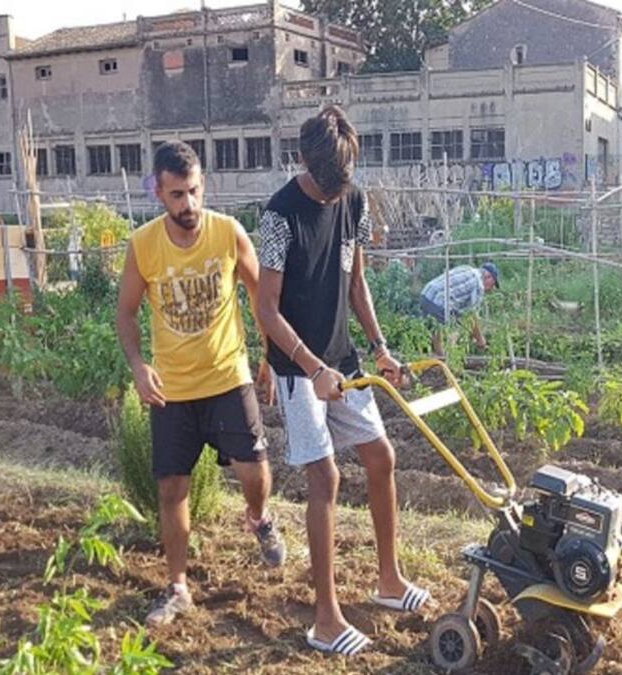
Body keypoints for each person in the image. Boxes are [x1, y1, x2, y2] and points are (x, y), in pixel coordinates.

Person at [256, 105, 431, 658]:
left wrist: (379, 349)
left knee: (381, 457)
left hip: (343, 359)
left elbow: (357, 284)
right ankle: (325, 619)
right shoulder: (278, 217)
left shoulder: (352, 201)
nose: (333, 197)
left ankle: (388, 580)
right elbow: (266, 310)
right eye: (327, 187)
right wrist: (312, 368)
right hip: (296, 367)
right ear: (304, 160)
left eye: (342, 188)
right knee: (326, 478)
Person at [115, 140, 286, 627]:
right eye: (176, 195)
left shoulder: (228, 233)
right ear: (158, 193)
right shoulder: (143, 245)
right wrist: (137, 365)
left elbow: (263, 300)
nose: (187, 205)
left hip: (227, 377)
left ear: (203, 185)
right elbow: (125, 313)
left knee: (254, 474)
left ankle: (259, 518)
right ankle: (178, 587)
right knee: (172, 488)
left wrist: (269, 360)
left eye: (193, 192)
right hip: (172, 390)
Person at [419, 262, 500, 355]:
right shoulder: (478, 284)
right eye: (493, 284)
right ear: (488, 276)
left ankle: (440, 356)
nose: (491, 288)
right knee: (449, 330)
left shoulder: (468, 269)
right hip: (439, 300)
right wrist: (480, 339)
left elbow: (461, 313)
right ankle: (446, 358)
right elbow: (471, 316)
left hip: (426, 294)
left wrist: (471, 332)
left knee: (436, 329)